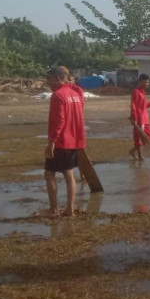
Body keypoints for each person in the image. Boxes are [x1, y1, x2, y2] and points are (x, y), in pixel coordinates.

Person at [43, 67, 85, 217]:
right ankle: (70, 209)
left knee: (49, 174)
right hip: (74, 140)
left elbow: (60, 121)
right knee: (69, 174)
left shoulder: (58, 95)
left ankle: (54, 209)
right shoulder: (75, 94)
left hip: (61, 141)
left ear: (57, 78)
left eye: (49, 79)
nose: (47, 82)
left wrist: (51, 142)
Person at [129, 74, 150, 161]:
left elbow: (144, 105)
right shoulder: (135, 92)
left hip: (145, 119)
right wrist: (134, 118)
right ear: (140, 81)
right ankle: (140, 156)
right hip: (139, 119)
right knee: (139, 139)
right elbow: (133, 105)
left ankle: (132, 151)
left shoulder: (142, 92)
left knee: (147, 137)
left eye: (148, 82)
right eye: (146, 82)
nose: (147, 84)